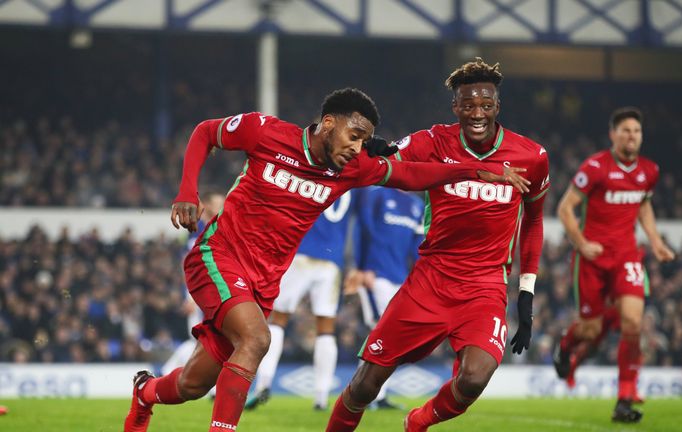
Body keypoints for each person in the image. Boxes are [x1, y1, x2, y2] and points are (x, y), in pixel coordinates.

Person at [123, 87, 527, 432]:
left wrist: (472, 171)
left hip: (263, 281)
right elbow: (205, 133)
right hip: (218, 255)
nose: (356, 148)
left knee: (192, 385)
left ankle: (145, 392)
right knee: (258, 339)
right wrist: (187, 191)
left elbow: (411, 176)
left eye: (363, 141)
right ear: (328, 124)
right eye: (353, 135)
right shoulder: (265, 132)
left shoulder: (351, 169)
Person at [325, 59, 550, 431]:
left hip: (485, 287)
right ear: (455, 107)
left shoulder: (531, 157)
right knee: (366, 383)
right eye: (468, 105)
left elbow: (535, 220)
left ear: (497, 106)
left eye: (486, 105)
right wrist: (372, 148)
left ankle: (418, 421)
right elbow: (387, 158)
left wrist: (526, 292)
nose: (477, 113)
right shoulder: (431, 142)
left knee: (475, 377)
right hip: (430, 281)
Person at [553, 107, 675, 423]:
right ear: (613, 135)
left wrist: (656, 241)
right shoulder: (595, 167)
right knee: (590, 330)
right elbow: (565, 209)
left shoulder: (650, 171)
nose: (631, 136)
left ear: (641, 136)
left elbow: (643, 205)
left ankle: (624, 399)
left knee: (633, 324)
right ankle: (566, 346)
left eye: (636, 131)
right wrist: (581, 243)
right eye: (625, 130)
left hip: (627, 257)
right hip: (592, 259)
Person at [248, 190, 357, 411]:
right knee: (326, 329)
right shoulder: (354, 183)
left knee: (277, 320)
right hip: (332, 259)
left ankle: (263, 385)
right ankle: (321, 397)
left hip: (301, 250)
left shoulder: (313, 167)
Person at [346, 186, 425, 410]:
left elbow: (418, 248)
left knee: (390, 338)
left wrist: (419, 279)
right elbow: (363, 228)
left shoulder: (417, 205)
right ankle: (364, 393)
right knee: (380, 331)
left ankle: (375, 395)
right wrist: (362, 267)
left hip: (400, 279)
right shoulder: (377, 193)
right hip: (375, 275)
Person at [162, 192, 225, 378]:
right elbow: (189, 265)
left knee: (210, 337)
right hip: (199, 293)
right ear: (206, 205)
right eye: (217, 203)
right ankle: (167, 371)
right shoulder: (198, 230)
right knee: (201, 338)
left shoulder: (213, 228)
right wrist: (189, 296)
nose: (221, 206)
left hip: (211, 291)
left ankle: (174, 373)